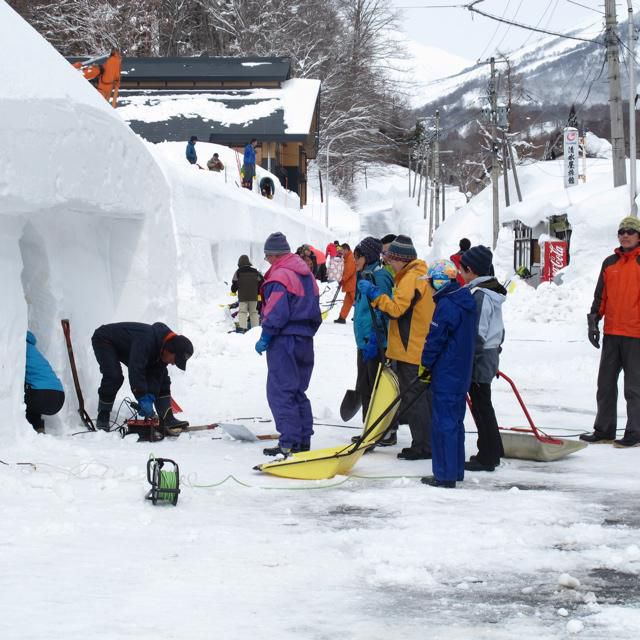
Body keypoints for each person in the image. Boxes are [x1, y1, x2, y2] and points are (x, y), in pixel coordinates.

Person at [358, 235, 434, 458]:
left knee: (415, 399)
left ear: (402, 259)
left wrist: (375, 295)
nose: (388, 262)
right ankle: (424, 442)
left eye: (391, 258)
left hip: (410, 348)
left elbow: (396, 309)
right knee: (421, 398)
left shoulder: (411, 278)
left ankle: (423, 446)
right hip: (418, 345)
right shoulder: (420, 274)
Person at [255, 232, 322, 456]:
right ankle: (303, 440)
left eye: (267, 257)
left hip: (284, 340)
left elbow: (276, 311)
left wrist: (266, 335)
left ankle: (288, 442)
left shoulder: (280, 277)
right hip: (305, 340)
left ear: (273, 255)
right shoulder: (307, 275)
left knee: (280, 391)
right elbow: (315, 310)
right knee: (297, 391)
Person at [581, 216, 640, 448]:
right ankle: (604, 429)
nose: (625, 235)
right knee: (605, 384)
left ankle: (635, 431)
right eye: (621, 231)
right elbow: (600, 296)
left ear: (638, 236)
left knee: (634, 387)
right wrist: (594, 321)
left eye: (630, 231)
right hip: (612, 333)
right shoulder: (609, 263)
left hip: (636, 335)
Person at [419, 259, 476, 488]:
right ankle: (455, 470)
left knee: (443, 424)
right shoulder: (464, 300)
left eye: (432, 281)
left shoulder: (447, 305)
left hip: (446, 372)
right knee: (455, 422)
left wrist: (425, 364)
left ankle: (444, 475)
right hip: (461, 372)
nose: (430, 286)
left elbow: (435, 339)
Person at [91, 322, 193, 433]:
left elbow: (156, 377)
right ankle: (103, 414)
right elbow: (136, 369)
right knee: (114, 376)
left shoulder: (162, 349)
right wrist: (142, 396)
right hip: (105, 339)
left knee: (162, 377)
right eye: (175, 360)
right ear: (170, 349)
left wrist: (151, 395)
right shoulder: (146, 340)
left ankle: (167, 418)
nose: (173, 363)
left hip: (125, 347)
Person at [459, 245, 507, 471]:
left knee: (481, 405)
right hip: (491, 351)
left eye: (462, 268)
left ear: (471, 270)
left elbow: (477, 332)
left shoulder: (480, 295)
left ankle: (487, 455)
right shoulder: (492, 291)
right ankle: (493, 449)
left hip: (480, 355)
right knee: (484, 404)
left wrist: (468, 359)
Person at [353, 237, 394, 422]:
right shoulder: (364, 275)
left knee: (376, 388)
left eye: (358, 257)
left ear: (368, 256)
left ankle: (379, 431)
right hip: (364, 342)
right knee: (364, 386)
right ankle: (367, 430)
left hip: (376, 342)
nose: (355, 262)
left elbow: (384, 309)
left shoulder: (380, 276)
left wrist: (375, 339)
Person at [24, 331, 65, 433]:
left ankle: (23, 429)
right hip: (59, 397)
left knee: (20, 392)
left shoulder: (20, 346)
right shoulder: (33, 350)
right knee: (31, 389)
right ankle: (38, 428)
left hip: (41, 396)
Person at [231, 255, 264, 332]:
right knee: (253, 312)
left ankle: (243, 328)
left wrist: (233, 291)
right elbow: (261, 281)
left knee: (243, 312)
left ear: (239, 263)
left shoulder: (238, 272)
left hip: (243, 296)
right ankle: (255, 330)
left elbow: (234, 283)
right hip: (254, 296)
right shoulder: (255, 271)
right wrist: (258, 292)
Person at [334, 243, 356, 324]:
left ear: (346, 249)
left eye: (342, 250)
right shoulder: (347, 257)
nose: (341, 252)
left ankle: (361, 317)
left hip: (352, 284)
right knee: (347, 302)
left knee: (356, 302)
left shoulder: (351, 258)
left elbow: (349, 271)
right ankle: (342, 317)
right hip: (349, 284)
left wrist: (342, 279)